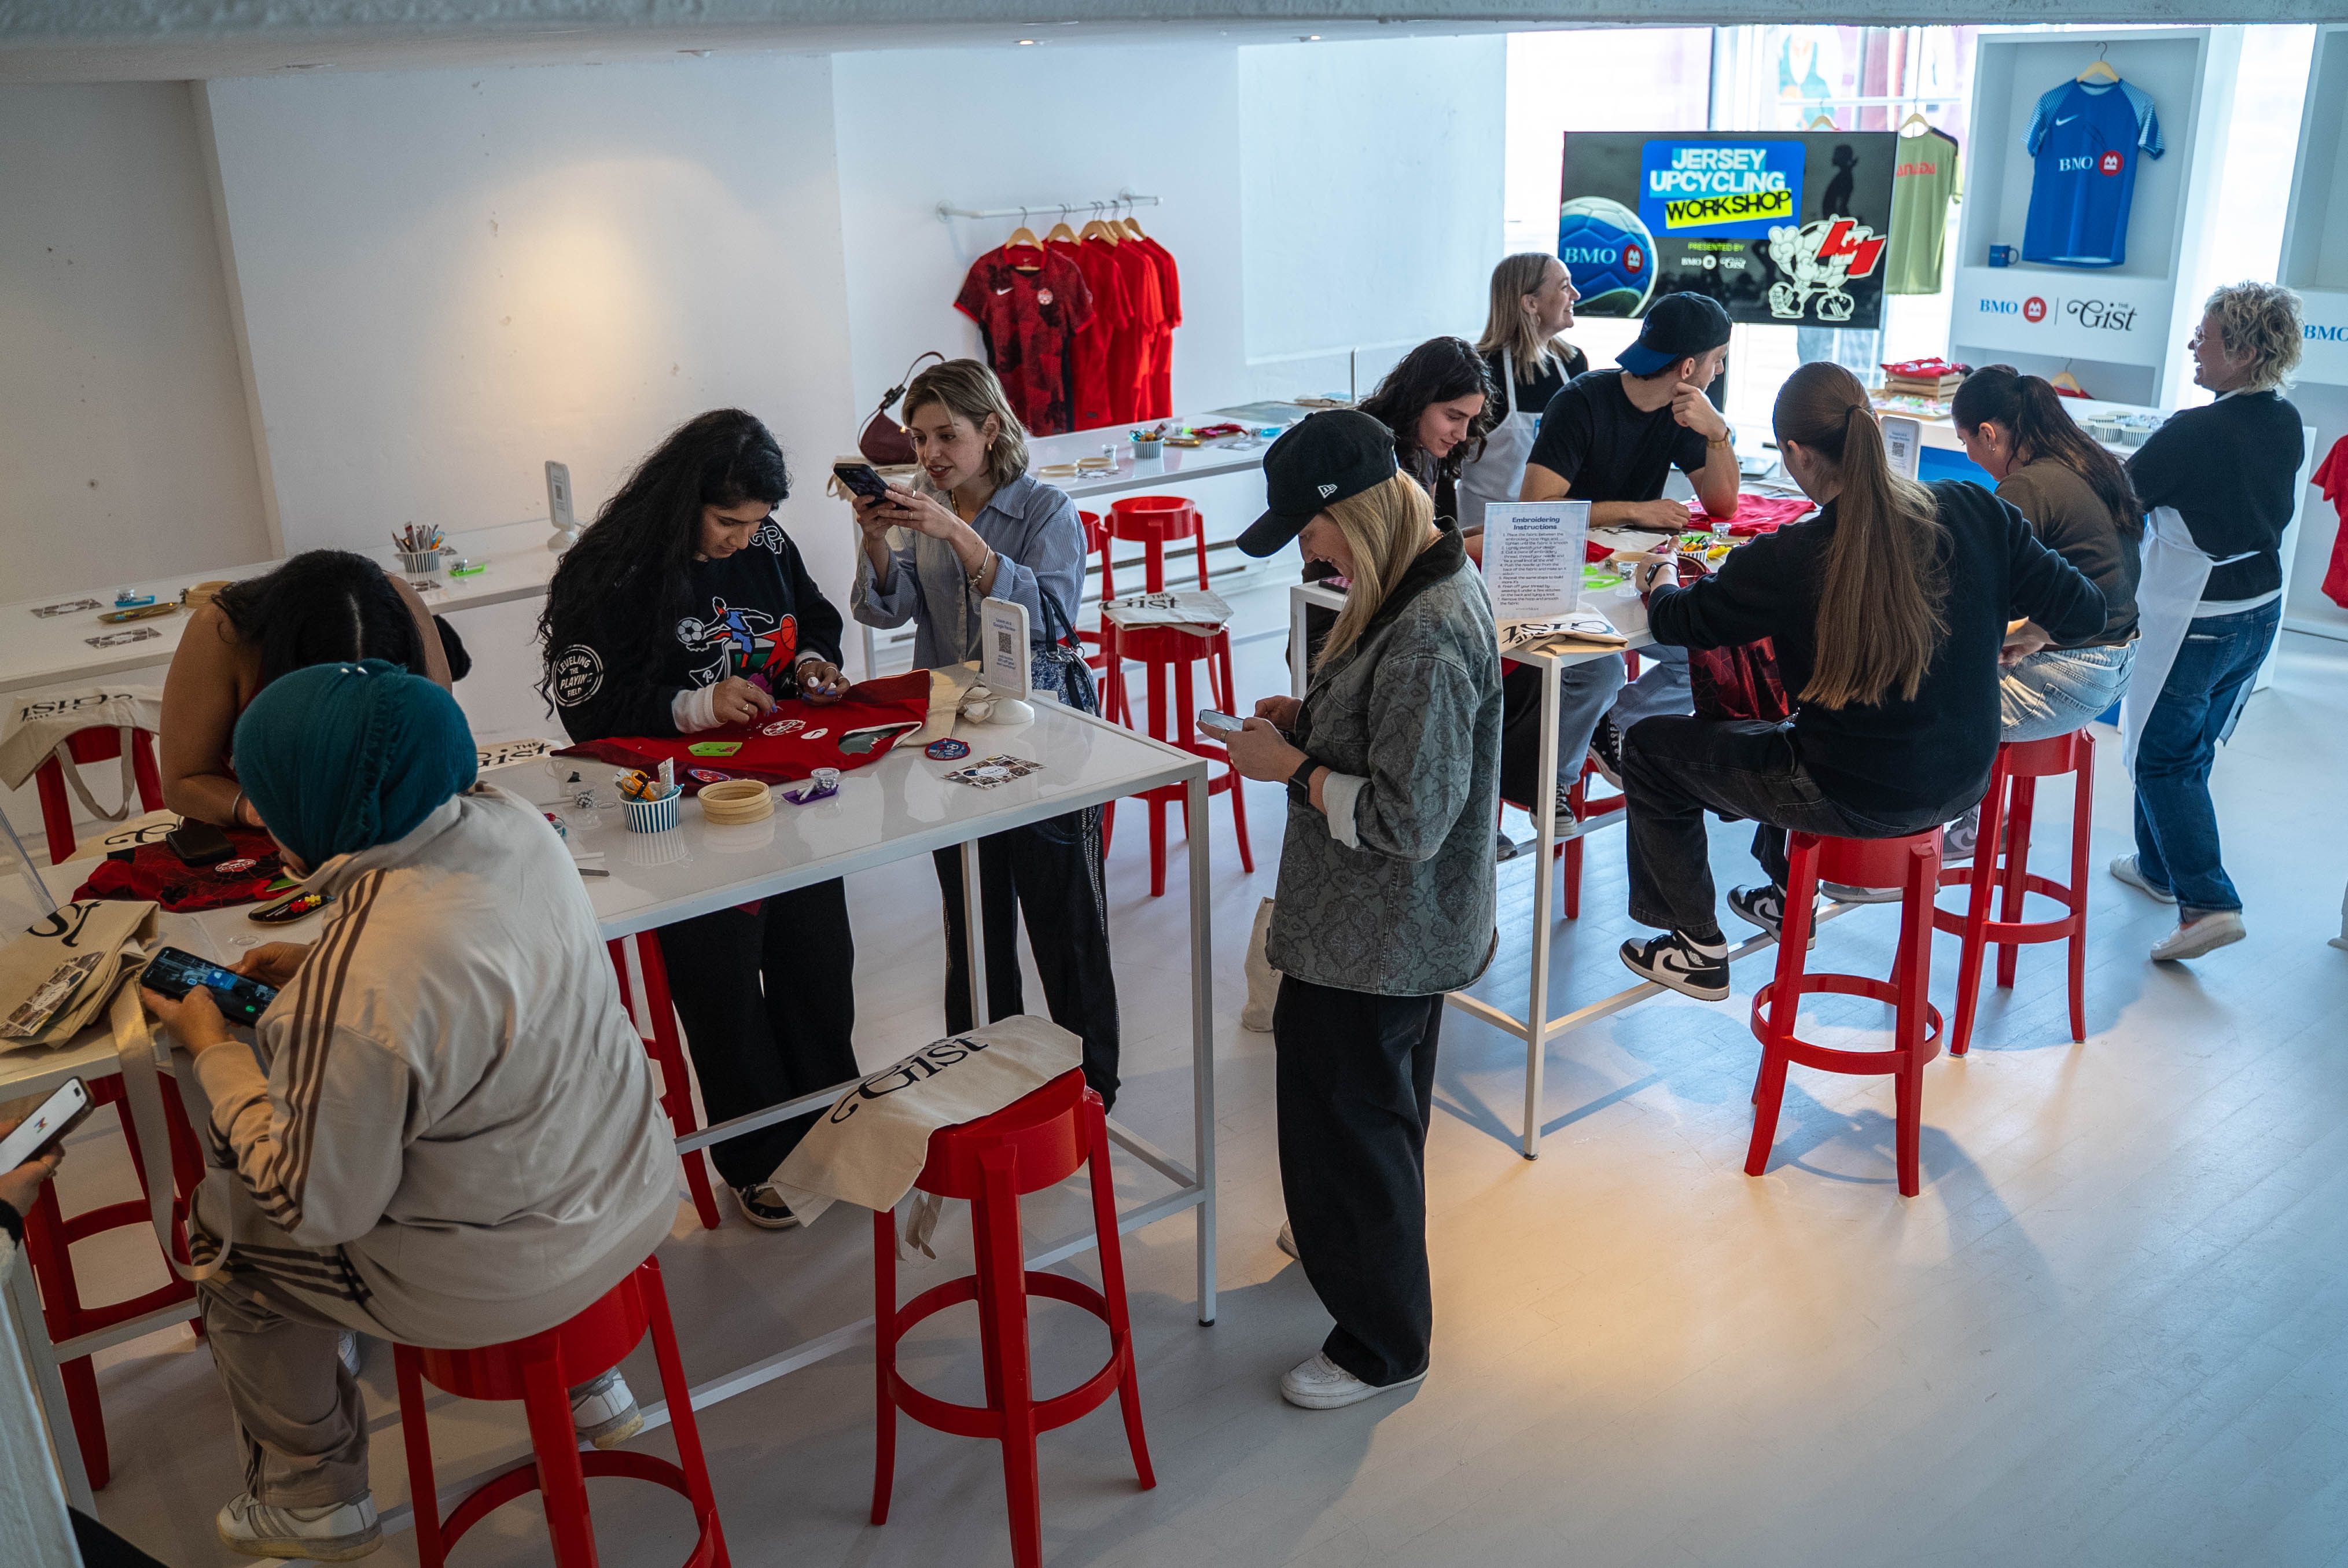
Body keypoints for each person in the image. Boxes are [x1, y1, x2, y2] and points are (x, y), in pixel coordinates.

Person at [138, 659, 676, 1562]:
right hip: (631, 1197)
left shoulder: (364, 986)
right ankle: (592, 1381)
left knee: (224, 1231)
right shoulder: (517, 831)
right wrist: (323, 967)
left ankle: (314, 1496)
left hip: (510, 1272)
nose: (262, 816)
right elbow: (466, 976)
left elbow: (317, 1206)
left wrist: (216, 1051)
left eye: (267, 795)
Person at [1615, 360, 2104, 1000]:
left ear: (1793, 452)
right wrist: (2019, 632)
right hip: (1962, 780)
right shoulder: (1970, 508)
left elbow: (1683, 622)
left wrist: (1659, 580)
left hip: (1853, 792)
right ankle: (1784, 891)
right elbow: (2087, 611)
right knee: (1798, 725)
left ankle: (1693, 946)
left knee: (1651, 749)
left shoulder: (1790, 555)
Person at [1221, 411, 1503, 1411]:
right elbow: (1393, 747)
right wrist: (1309, 723)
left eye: (1313, 529)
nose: (1309, 549)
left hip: (1378, 935)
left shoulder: (1424, 631)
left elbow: (1409, 818)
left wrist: (1293, 769)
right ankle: (1350, 1254)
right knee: (1369, 1113)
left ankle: (1382, 1342)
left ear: (1352, 510)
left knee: (1352, 1121)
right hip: (1381, 930)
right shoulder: (1409, 589)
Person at [540, 408, 856, 1230]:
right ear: (685, 499)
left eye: (755, 524)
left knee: (817, 958)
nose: (740, 540)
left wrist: (816, 658)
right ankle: (758, 1154)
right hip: (671, 814)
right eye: (726, 521)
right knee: (723, 985)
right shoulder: (608, 570)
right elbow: (589, 709)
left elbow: (814, 616)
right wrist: (693, 703)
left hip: (785, 790)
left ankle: (835, 1124)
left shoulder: (767, 544)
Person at [849, 359, 1121, 1105]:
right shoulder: (925, 510)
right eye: (919, 436)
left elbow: (1051, 620)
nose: (930, 453)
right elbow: (887, 609)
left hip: (1047, 742)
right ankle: (984, 1076)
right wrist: (876, 541)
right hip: (952, 741)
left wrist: (959, 537)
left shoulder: (1045, 512)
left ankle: (1093, 1085)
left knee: (1065, 921)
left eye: (947, 435)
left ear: (990, 429)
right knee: (972, 921)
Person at [2113, 282, 2307, 962]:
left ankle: (2208, 902)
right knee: (2184, 747)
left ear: (2245, 349)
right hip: (2259, 612)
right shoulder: (2282, 421)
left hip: (2199, 615)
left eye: (2206, 335)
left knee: (2162, 757)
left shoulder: (2195, 432)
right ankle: (2157, 867)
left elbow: (2122, 497)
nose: (2194, 344)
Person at [1917, 363, 2143, 869]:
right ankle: (1973, 818)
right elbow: (2107, 577)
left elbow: (1978, 599)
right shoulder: (2087, 465)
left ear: (1990, 435)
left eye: (1965, 442)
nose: (1968, 455)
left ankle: (1910, 842)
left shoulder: (2025, 489)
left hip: (2078, 675)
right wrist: (2041, 631)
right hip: (2118, 664)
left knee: (1913, 702)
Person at [1521, 292, 1743, 782]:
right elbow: (1536, 510)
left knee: (1709, 653)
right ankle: (1553, 778)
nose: (1720, 372)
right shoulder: (1582, 402)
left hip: (1627, 579)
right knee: (1603, 668)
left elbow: (1723, 505)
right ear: (1688, 366)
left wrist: (1717, 433)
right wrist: (1637, 510)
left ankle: (1615, 722)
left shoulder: (1686, 411)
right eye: (1718, 361)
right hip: (1563, 582)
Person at [159, 550, 455, 829]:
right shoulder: (223, 632)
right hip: (257, 832)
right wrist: (252, 809)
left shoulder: (402, 605)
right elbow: (183, 780)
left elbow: (435, 738)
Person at [1459, 252, 1588, 532]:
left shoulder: (1574, 363)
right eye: (1565, 286)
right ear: (1531, 303)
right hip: (1484, 530)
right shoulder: (1479, 369)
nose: (1576, 295)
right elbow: (1445, 463)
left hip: (1555, 526)